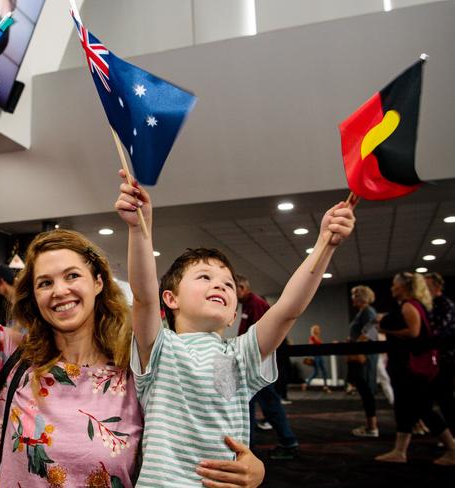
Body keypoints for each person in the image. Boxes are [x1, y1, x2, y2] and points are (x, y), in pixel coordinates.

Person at [0, 120, 265, 487]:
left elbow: (201, 432)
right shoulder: (6, 357)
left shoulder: (138, 372)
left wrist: (252, 469)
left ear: (98, 282)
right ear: (34, 296)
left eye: (72, 276)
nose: (59, 290)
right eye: (45, 283)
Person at [114, 168, 355, 485]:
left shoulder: (239, 355)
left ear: (232, 316)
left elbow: (286, 310)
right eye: (205, 277)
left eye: (228, 284)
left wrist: (325, 243)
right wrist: (139, 229)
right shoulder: (159, 348)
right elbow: (145, 295)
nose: (221, 286)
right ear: (171, 299)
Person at [376, 272, 455, 465]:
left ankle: (452, 449)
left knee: (423, 408)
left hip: (409, 368)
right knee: (404, 409)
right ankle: (399, 451)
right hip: (403, 366)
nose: (392, 287)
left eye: (395, 284)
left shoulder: (410, 305)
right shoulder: (408, 305)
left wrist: (384, 329)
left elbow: (414, 333)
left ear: (403, 287)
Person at [236, 276, 299, 460]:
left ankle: (286, 442)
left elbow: (258, 336)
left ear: (242, 287)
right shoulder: (248, 304)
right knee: (252, 404)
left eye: (232, 287)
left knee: (267, 404)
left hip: (258, 365)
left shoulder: (255, 304)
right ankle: (249, 447)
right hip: (255, 363)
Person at [424, 272, 455, 435]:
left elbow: (438, 331)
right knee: (440, 400)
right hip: (436, 359)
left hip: (445, 359)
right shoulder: (431, 305)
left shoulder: (444, 304)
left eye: (427, 286)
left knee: (446, 400)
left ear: (437, 286)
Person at [348, 285, 379, 438]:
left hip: (365, 357)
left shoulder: (368, 311)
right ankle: (370, 425)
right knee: (364, 389)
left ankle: (372, 428)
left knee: (367, 390)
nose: (352, 298)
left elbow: (371, 331)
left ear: (361, 297)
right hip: (362, 356)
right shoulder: (362, 312)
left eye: (354, 295)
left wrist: (358, 348)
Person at [302, 324, 330, 392]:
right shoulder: (312, 337)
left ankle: (325, 386)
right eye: (318, 329)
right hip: (316, 357)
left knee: (322, 372)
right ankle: (306, 383)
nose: (319, 330)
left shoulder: (317, 337)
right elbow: (311, 346)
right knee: (318, 372)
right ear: (315, 330)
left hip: (320, 356)